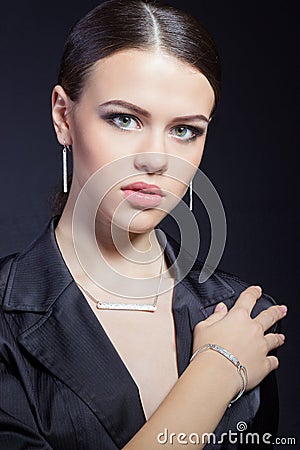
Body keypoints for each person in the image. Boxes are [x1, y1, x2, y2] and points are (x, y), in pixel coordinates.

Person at [0, 1, 287, 449]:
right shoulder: (5, 319)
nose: (156, 158)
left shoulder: (240, 316)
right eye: (124, 119)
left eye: (185, 130)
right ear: (63, 116)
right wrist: (217, 368)